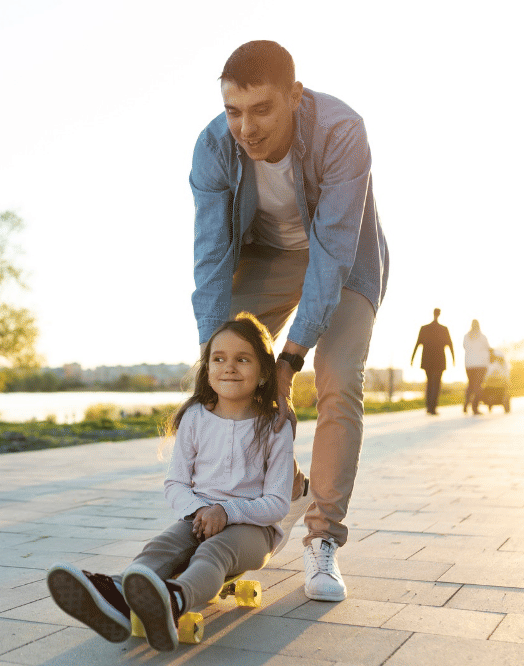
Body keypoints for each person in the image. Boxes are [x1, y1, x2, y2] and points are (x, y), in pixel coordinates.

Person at [189, 40, 389, 602]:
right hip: (266, 258)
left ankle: (322, 537)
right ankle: (280, 489)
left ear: (295, 97)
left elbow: (331, 254)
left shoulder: (341, 131)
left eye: (261, 110)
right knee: (230, 374)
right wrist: (214, 359)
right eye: (233, 111)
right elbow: (211, 262)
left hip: (345, 259)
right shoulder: (213, 148)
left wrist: (291, 359)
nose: (245, 129)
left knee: (338, 378)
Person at [47, 314, 294, 652]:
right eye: (218, 359)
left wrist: (226, 511)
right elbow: (175, 482)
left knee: (212, 552)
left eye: (243, 359)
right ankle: (117, 597)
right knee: (161, 548)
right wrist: (202, 510)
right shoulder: (195, 416)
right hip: (198, 517)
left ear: (265, 371)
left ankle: (174, 601)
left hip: (255, 530)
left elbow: (278, 503)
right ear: (207, 368)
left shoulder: (274, 426)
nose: (229, 367)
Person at [410, 309, 455, 415]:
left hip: (427, 360)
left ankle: (429, 407)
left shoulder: (425, 328)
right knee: (436, 384)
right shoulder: (443, 329)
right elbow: (450, 344)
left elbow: (417, 344)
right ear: (439, 314)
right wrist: (453, 359)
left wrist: (412, 359)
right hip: (439, 361)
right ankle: (432, 407)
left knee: (430, 383)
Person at [463, 320, 491, 414]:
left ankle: (466, 404)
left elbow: (464, 347)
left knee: (471, 384)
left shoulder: (467, 336)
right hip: (481, 365)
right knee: (478, 385)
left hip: (469, 365)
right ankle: (475, 407)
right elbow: (488, 348)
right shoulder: (482, 337)